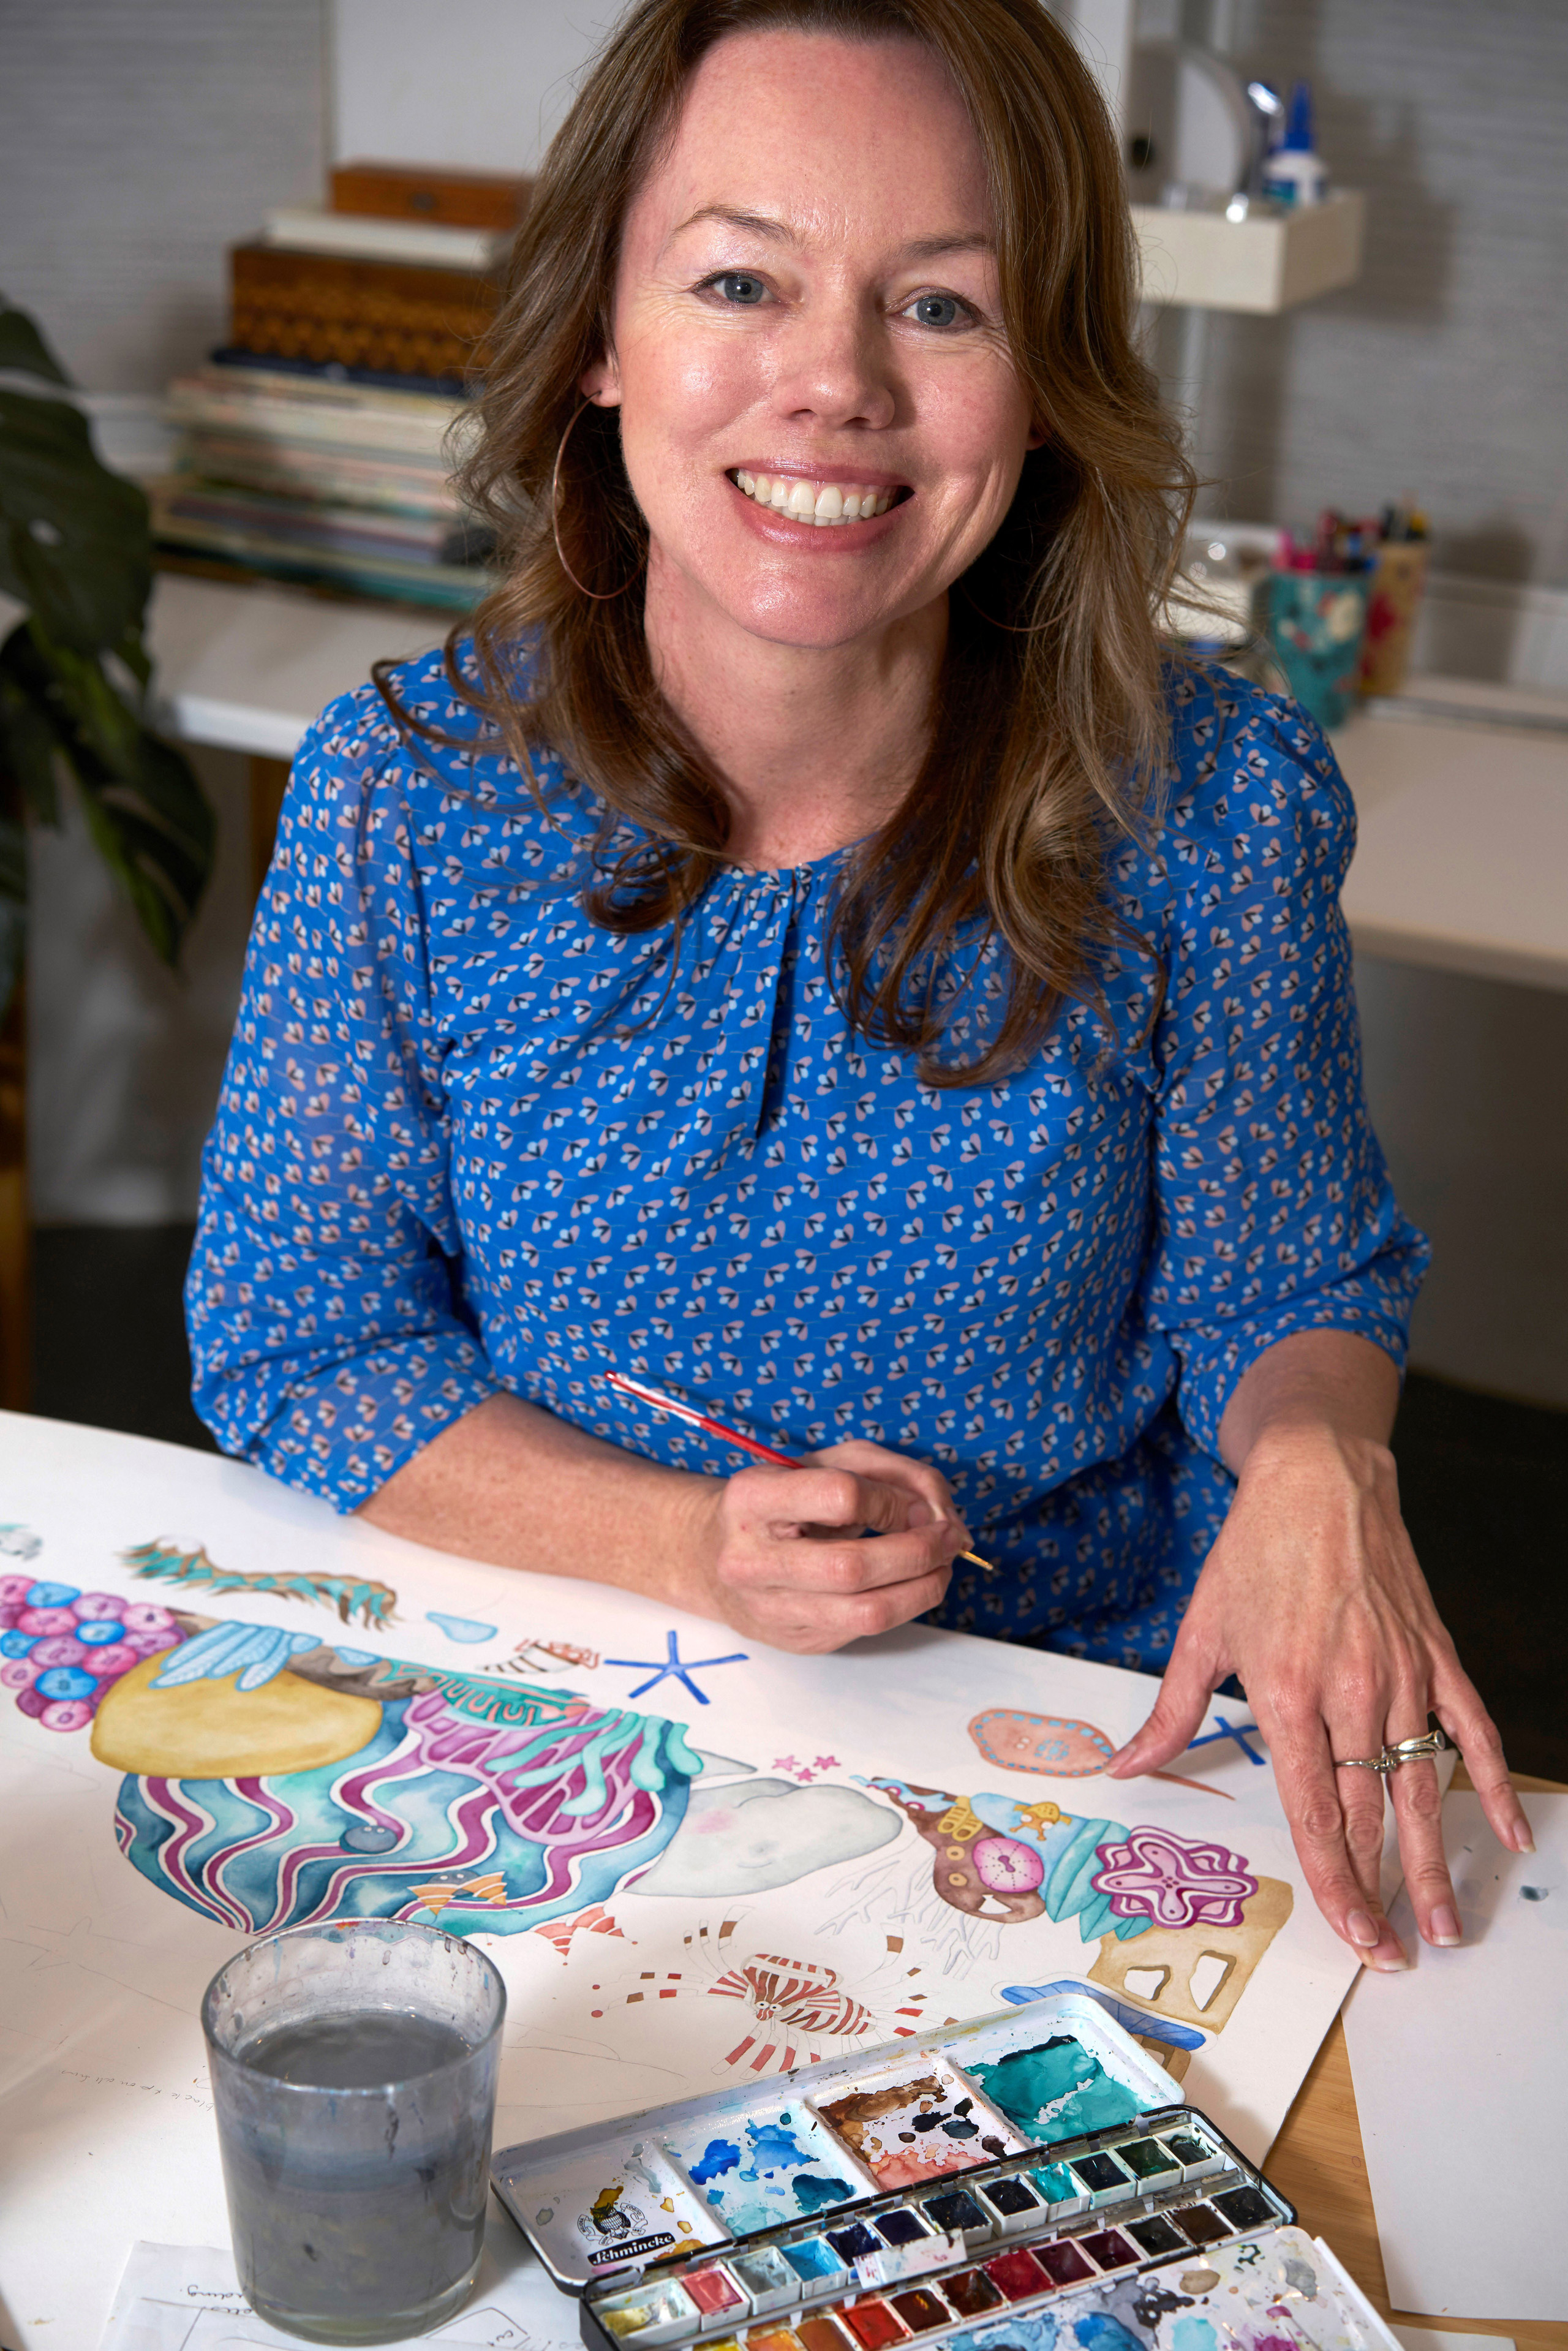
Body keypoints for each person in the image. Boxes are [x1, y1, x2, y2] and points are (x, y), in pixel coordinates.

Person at [186, 0, 1530, 1975]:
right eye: (741, 279)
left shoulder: (1216, 802)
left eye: (941, 309)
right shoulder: (402, 795)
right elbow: (299, 1339)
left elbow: (1290, 1285)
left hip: (1073, 1726)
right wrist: (684, 1547)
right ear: (597, 340)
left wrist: (1325, 1451)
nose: (831, 387)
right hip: (581, 1702)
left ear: (1048, 383)